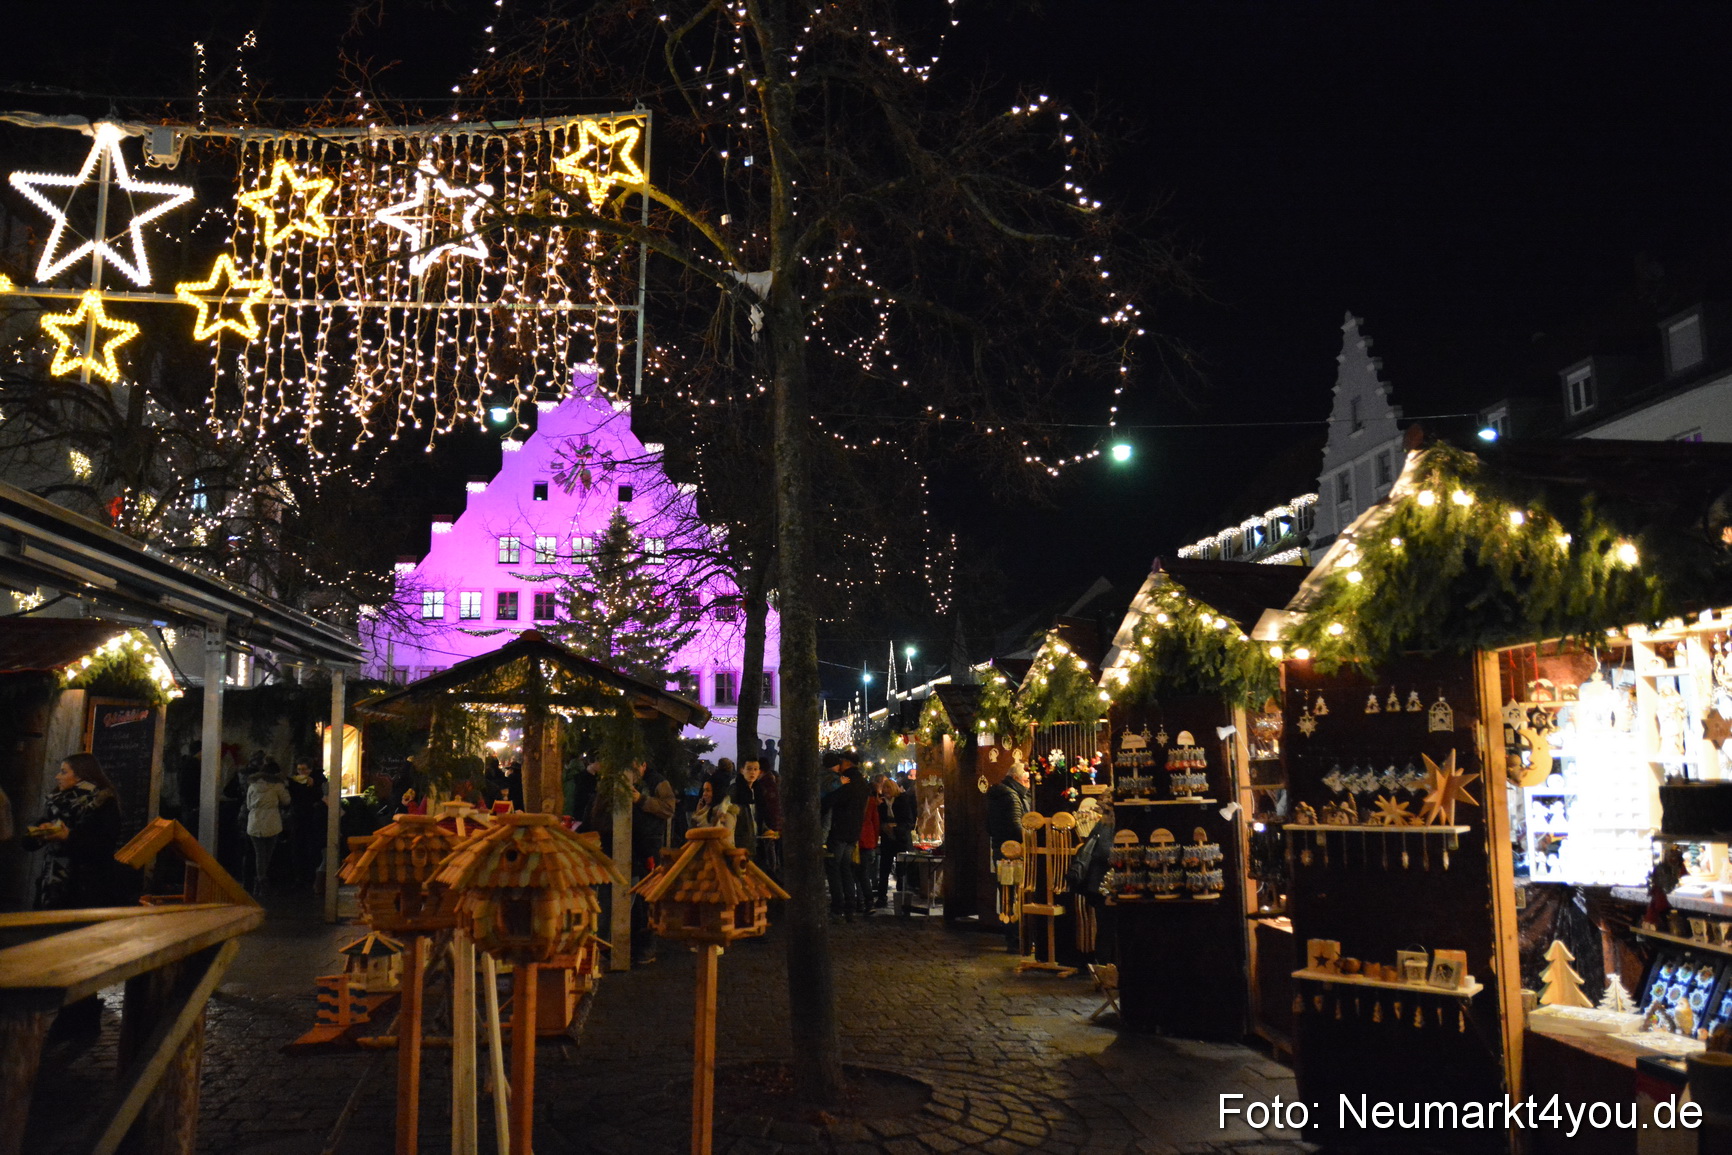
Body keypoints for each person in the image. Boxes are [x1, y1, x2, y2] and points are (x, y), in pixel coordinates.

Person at [24, 753, 130, 1038]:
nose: (58, 776)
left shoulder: (102, 803)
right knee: (57, 952)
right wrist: (38, 833)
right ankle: (71, 1014)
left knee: (79, 953)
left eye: (63, 771)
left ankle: (81, 1016)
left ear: (80, 775)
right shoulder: (57, 801)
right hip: (53, 885)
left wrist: (68, 838)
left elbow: (103, 846)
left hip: (84, 888)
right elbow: (30, 839)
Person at [985, 761, 1031, 948]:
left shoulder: (998, 794)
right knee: (1015, 895)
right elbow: (1015, 826)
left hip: (1000, 849)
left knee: (1006, 894)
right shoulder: (1012, 796)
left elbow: (988, 826)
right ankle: (1017, 939)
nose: (1028, 784)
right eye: (1027, 780)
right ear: (1016, 778)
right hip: (1013, 852)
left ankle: (1012, 937)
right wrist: (1030, 840)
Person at [820, 751, 870, 921]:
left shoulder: (845, 781)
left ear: (847, 762)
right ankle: (850, 906)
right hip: (853, 832)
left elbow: (829, 801)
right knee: (846, 868)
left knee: (834, 868)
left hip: (839, 830)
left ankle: (837, 907)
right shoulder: (863, 782)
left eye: (841, 761)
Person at [244, 761, 292, 896]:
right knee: (267, 853)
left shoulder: (252, 786)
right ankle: (262, 882)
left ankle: (259, 882)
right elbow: (286, 801)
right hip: (272, 822)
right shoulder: (277, 786)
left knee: (259, 853)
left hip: (254, 821)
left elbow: (248, 805)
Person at [876, 774, 916, 909]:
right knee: (884, 869)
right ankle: (882, 897)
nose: (886, 791)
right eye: (884, 788)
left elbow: (908, 821)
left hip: (901, 840)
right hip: (888, 840)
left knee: (901, 870)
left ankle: (902, 899)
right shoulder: (881, 804)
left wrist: (896, 828)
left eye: (888, 788)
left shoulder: (902, 801)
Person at [286, 759, 325, 889]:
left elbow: (319, 797)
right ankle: (299, 877)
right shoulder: (293, 782)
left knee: (310, 847)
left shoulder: (316, 782)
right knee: (297, 847)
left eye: (304, 769)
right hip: (297, 818)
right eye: (299, 770)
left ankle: (309, 876)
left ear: (310, 770)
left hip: (310, 819)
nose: (301, 772)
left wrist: (312, 786)